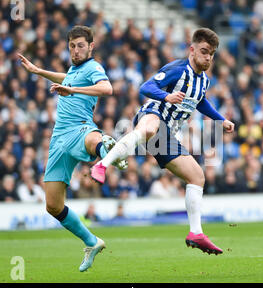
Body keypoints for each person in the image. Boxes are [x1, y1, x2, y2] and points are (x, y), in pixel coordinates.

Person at [91, 28, 235, 255]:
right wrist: (166, 96)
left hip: (168, 135)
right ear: (192, 49)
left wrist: (221, 119)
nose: (208, 57)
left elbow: (200, 102)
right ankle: (102, 164)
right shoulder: (177, 69)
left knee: (197, 176)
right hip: (153, 114)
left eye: (212, 54)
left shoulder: (204, 81)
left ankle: (196, 233)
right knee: (149, 127)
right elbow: (146, 87)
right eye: (204, 51)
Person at [18, 25, 127, 272]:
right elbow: (65, 78)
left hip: (80, 128)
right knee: (53, 205)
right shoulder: (74, 70)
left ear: (91, 46)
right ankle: (91, 242)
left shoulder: (93, 67)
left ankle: (106, 151)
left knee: (91, 139)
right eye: (72, 46)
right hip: (58, 139)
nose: (75, 51)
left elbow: (107, 89)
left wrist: (72, 90)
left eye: (80, 46)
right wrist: (37, 71)